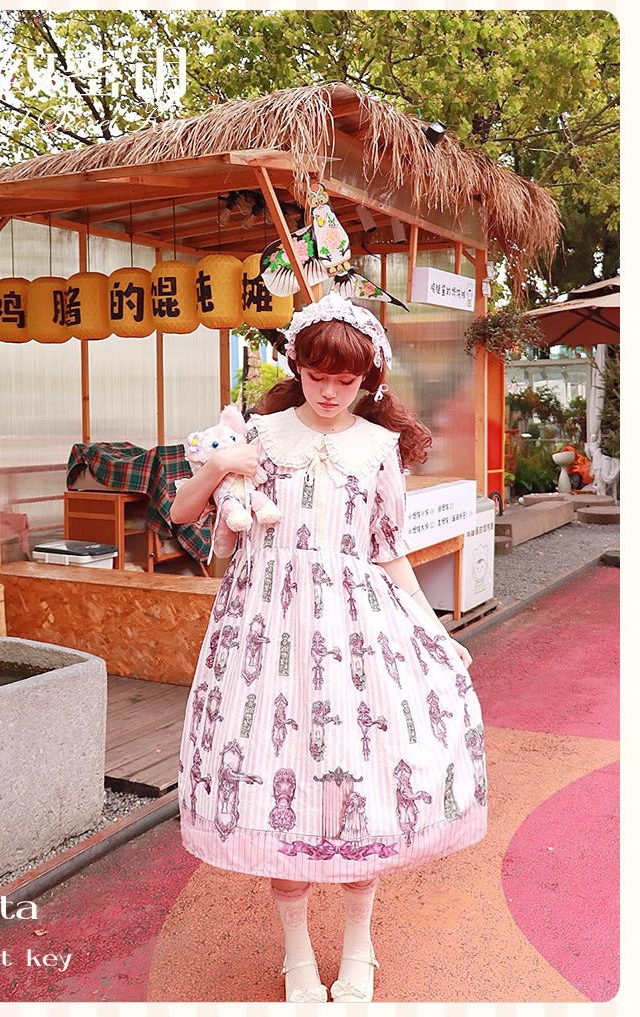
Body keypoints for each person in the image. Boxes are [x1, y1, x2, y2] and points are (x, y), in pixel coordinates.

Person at [171, 292, 487, 1003]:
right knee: (276, 774)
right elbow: (184, 512)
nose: (330, 392)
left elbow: (389, 552)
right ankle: (295, 954)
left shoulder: (378, 448)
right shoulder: (256, 433)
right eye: (318, 376)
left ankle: (358, 948)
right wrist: (222, 466)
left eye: (346, 380)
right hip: (262, 634)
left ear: (368, 378)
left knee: (355, 783)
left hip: (354, 637)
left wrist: (438, 631)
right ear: (297, 365)